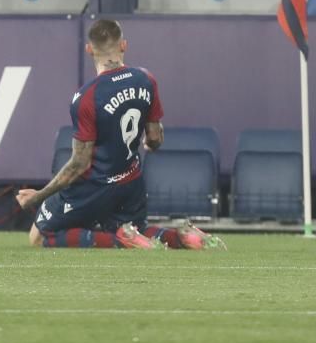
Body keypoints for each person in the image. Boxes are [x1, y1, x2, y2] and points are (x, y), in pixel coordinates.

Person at [15, 19, 226, 250]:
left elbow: (79, 164)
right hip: (131, 181)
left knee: (40, 237)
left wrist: (39, 196)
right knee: (138, 231)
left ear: (89, 49)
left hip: (95, 185)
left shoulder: (86, 97)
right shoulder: (145, 79)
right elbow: (154, 138)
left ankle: (119, 241)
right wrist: (149, 142)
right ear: (124, 45)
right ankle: (183, 237)